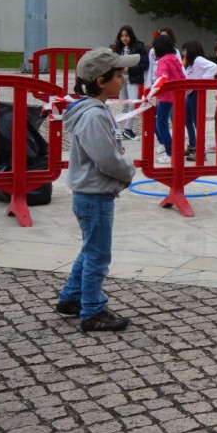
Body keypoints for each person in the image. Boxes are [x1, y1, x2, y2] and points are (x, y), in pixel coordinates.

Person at [55, 48, 141, 332]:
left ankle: (71, 298)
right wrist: (127, 173)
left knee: (89, 249)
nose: (123, 79)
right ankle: (92, 311)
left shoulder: (97, 109)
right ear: (102, 81)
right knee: (98, 255)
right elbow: (105, 159)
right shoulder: (93, 116)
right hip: (95, 197)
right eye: (118, 75)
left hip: (91, 195)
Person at [150, 33, 186, 164]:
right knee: (168, 124)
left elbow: (163, 78)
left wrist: (156, 93)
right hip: (176, 96)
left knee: (161, 125)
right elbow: (182, 76)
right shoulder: (174, 58)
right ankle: (173, 151)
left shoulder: (163, 60)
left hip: (165, 97)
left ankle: (170, 153)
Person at [180, 40, 217, 159]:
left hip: (196, 93)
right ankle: (192, 146)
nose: (183, 53)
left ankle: (201, 152)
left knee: (198, 122)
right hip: (190, 94)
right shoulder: (190, 63)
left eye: (185, 50)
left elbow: (214, 67)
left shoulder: (198, 60)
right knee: (187, 120)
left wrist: (202, 80)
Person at [112, 25, 147, 140]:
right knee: (124, 104)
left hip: (133, 79)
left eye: (126, 35)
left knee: (132, 103)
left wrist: (129, 69)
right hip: (121, 80)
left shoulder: (139, 47)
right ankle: (123, 129)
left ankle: (128, 129)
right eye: (122, 36)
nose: (124, 38)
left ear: (131, 35)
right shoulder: (118, 48)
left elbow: (144, 65)